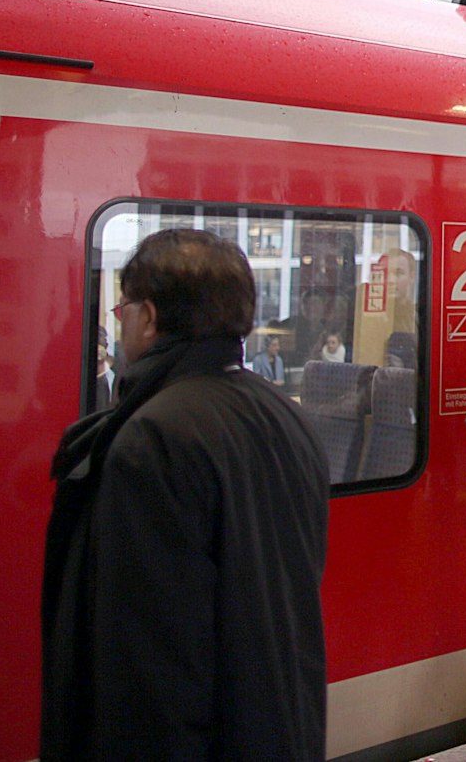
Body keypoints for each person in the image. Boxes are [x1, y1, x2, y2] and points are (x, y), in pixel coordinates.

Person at [42, 229, 327, 761]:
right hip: (279, 727)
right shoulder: (287, 418)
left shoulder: (151, 439)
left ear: (148, 317)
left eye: (122, 308)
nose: (118, 320)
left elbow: (151, 663)